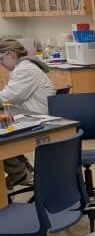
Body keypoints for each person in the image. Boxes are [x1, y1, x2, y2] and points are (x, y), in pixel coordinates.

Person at [0, 39, 55, 187]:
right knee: (4, 127)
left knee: (2, 134)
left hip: (39, 121)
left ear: (11, 54)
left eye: (1, 59)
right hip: (31, 117)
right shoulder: (22, 68)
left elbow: (5, 97)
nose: (1, 64)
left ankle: (19, 173)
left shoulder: (26, 70)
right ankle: (23, 168)